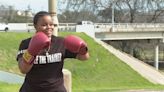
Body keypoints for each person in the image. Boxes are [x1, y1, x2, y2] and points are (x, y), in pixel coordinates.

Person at [16, 11, 89, 92]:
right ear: (35, 26)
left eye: (51, 24)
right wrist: (32, 52)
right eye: (44, 25)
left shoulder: (61, 42)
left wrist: (83, 48)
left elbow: (84, 57)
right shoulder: (26, 44)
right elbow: (23, 69)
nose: (49, 27)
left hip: (56, 89)